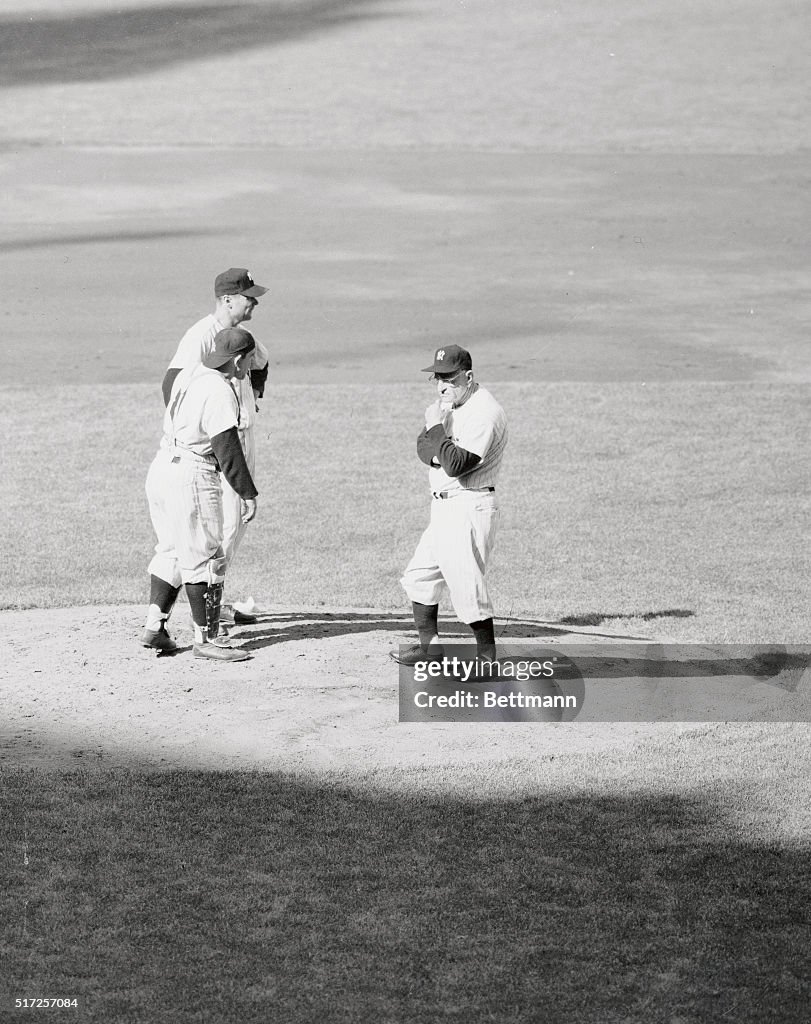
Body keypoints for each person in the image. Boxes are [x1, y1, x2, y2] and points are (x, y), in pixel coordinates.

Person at [142, 328, 259, 662]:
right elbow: (226, 446)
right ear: (237, 359)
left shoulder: (190, 373)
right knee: (205, 557)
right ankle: (206, 640)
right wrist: (246, 492)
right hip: (192, 475)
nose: (248, 367)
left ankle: (155, 626)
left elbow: (169, 384)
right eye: (248, 360)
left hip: (162, 466)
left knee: (170, 550)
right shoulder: (220, 391)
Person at [162, 267, 269, 624]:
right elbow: (173, 383)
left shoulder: (241, 336)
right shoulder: (201, 336)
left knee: (231, 526)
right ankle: (209, 604)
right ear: (227, 300)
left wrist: (255, 392)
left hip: (237, 436)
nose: (254, 301)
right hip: (219, 445)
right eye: (248, 296)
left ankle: (209, 599)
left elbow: (262, 362)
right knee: (219, 527)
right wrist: (192, 432)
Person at [392, 345, 508, 667]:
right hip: (443, 509)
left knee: (467, 589)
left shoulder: (484, 413)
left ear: (468, 377)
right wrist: (436, 447)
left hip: (469, 507)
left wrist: (437, 434)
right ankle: (430, 649)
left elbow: (456, 465)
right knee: (419, 577)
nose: (441, 386)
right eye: (437, 378)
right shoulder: (451, 404)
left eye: (449, 379)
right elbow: (422, 446)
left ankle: (487, 661)